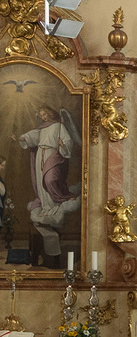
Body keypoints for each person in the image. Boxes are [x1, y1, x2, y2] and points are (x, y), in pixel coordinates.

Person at [17, 104, 82, 260]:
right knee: (41, 183)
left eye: (45, 114)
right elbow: (34, 135)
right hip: (41, 154)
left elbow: (68, 142)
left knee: (50, 179)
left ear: (50, 113)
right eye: (41, 116)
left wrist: (63, 145)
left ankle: (57, 202)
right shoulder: (43, 128)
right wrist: (23, 137)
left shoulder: (59, 126)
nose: (44, 117)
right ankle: (47, 207)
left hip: (53, 155)